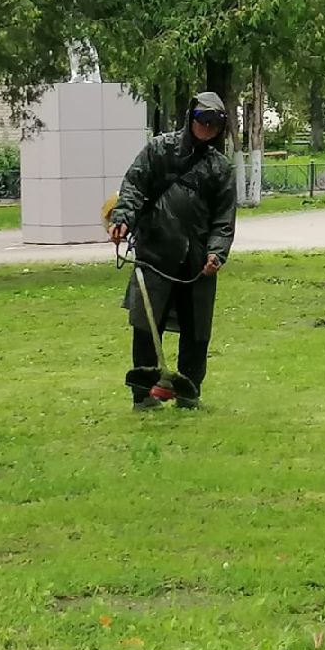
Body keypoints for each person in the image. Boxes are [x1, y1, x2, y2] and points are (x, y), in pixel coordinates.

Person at [108, 92, 237, 411]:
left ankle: (189, 394)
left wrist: (216, 253)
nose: (207, 126)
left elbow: (223, 219)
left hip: (197, 261)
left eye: (215, 122)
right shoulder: (159, 150)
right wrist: (122, 219)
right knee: (146, 327)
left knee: (197, 331)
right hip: (155, 254)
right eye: (202, 119)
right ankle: (143, 396)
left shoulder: (220, 168)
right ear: (190, 117)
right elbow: (134, 186)